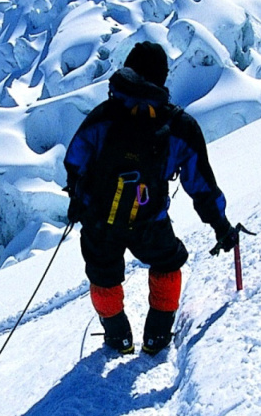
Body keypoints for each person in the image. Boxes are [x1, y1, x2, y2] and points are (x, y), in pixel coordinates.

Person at [64, 41, 238, 356]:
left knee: (103, 274)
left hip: (100, 218)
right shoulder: (179, 126)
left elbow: (75, 160)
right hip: (150, 218)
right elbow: (199, 183)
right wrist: (220, 225)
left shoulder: (103, 116)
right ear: (162, 77)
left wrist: (77, 197)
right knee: (167, 262)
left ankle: (118, 337)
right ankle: (157, 335)